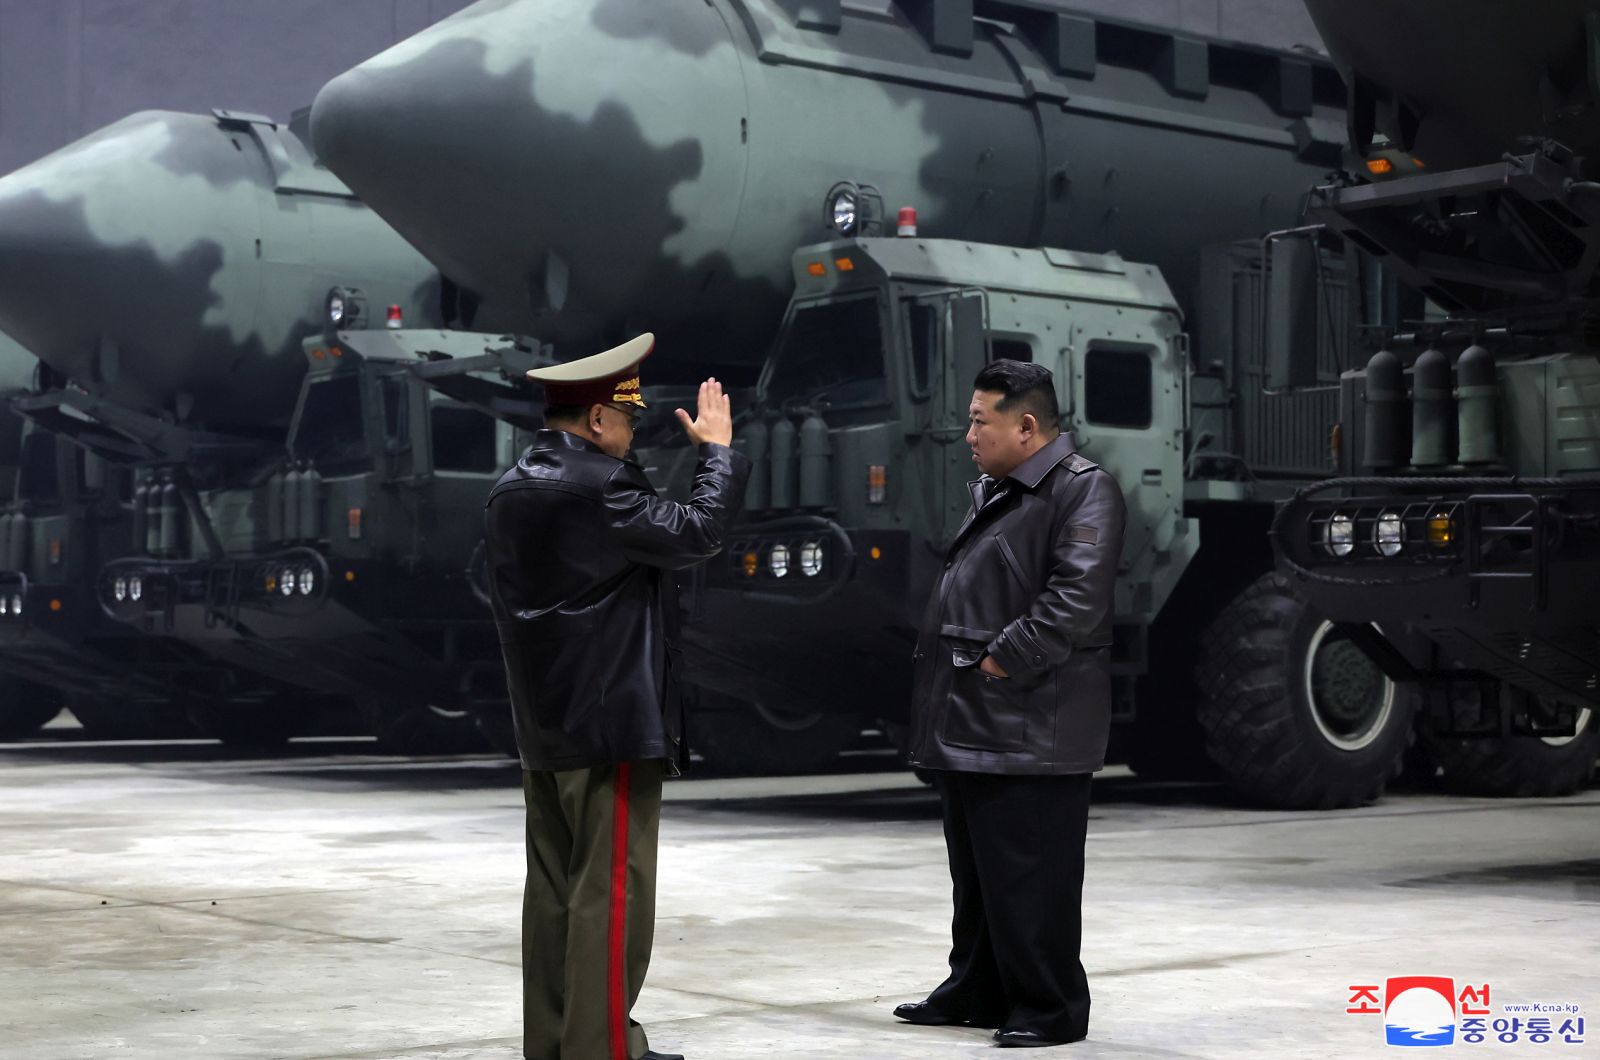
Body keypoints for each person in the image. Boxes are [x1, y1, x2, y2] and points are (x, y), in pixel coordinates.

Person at [483, 332, 750, 1060]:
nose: (633, 437)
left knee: (555, 890)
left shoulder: (509, 487)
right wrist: (717, 456)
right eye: (628, 420)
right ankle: (601, 1048)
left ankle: (559, 1039)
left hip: (543, 721)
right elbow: (698, 532)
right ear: (599, 419)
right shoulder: (602, 486)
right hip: (612, 724)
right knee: (610, 895)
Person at [895, 359, 1127, 1048]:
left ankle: (1049, 1007)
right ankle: (977, 987)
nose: (967, 433)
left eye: (979, 420)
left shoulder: (1084, 490)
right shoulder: (1004, 488)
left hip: (1030, 720)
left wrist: (1001, 661)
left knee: (1033, 878)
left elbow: (1074, 603)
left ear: (1026, 426)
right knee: (979, 875)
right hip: (978, 713)